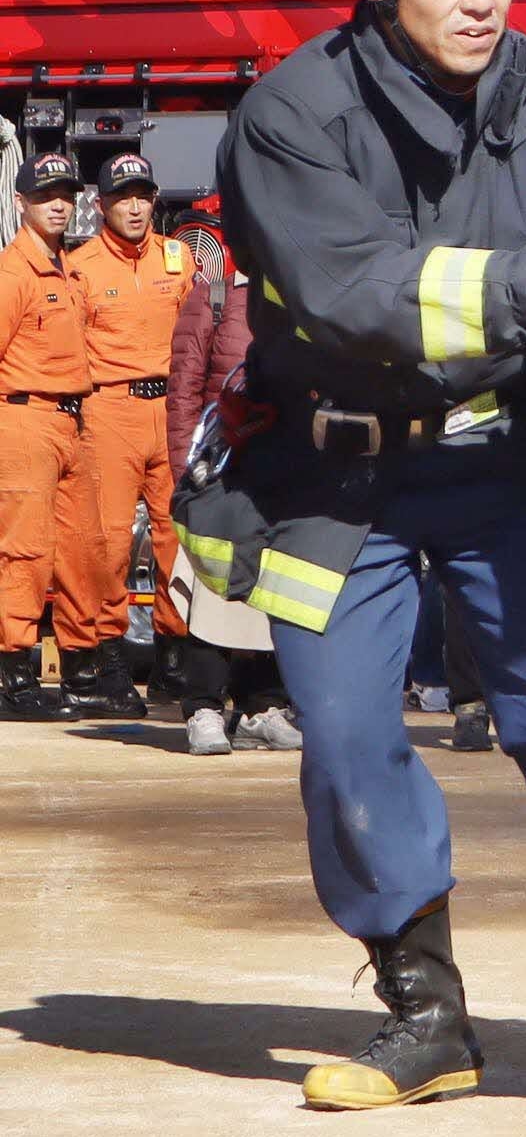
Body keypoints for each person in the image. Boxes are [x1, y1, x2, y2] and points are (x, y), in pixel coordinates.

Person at [192, 0, 526, 1111]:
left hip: (515, 470)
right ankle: (427, 1012)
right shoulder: (291, 113)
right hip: (337, 485)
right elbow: (347, 293)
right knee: (341, 739)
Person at [63, 151, 192, 717]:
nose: (135, 207)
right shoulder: (79, 266)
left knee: (176, 538)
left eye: (143, 196)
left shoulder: (179, 258)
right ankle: (108, 661)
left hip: (173, 410)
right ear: (101, 205)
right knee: (110, 544)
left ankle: (173, 663)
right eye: (123, 198)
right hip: (109, 411)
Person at [163, 243, 297, 755]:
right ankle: (203, 708)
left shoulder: (298, 298)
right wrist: (184, 475)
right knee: (212, 589)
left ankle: (261, 707)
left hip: (279, 469)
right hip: (216, 470)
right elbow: (183, 391)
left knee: (268, 591)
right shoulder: (213, 298)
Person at [0, 151, 98, 722]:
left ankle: (69, 670)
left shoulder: (66, 267)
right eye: (44, 196)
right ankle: (12, 672)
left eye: (65, 194)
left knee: (73, 550)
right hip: (24, 421)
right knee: (25, 552)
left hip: (69, 421)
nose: (58, 204)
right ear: (20, 204)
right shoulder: (14, 274)